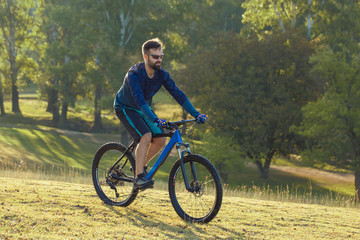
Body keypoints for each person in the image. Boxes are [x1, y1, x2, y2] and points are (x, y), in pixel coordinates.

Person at [114, 38, 207, 191]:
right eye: (155, 57)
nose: (159, 60)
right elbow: (139, 101)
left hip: (143, 109)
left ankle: (140, 166)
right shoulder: (134, 75)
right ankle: (138, 178)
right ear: (145, 57)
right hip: (126, 107)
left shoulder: (162, 75)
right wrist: (155, 120)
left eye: (161, 56)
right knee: (146, 136)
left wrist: (196, 114)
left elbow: (178, 94)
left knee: (161, 139)